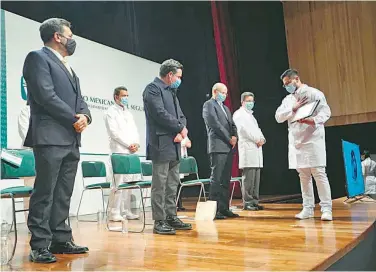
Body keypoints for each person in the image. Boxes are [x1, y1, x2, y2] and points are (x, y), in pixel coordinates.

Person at [22, 18, 91, 263]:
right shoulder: (37, 58)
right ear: (57, 37)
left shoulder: (69, 68)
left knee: (63, 192)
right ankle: (40, 244)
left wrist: (85, 116)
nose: (73, 40)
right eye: (70, 35)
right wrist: (74, 117)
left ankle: (61, 238)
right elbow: (45, 96)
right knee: (45, 192)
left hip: (71, 138)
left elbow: (80, 100)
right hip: (50, 137)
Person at [275, 68, 332, 221]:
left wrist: (311, 120)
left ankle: (326, 209)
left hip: (312, 139)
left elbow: (326, 112)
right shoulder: (288, 100)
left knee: (319, 174)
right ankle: (308, 208)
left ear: (296, 79)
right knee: (303, 176)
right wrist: (292, 109)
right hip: (296, 142)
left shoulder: (314, 93)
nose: (287, 86)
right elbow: (278, 116)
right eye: (285, 85)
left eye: (288, 83)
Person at [143, 59, 192, 235]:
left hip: (175, 143)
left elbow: (181, 116)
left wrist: (181, 131)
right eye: (178, 76)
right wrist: (179, 128)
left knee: (172, 183)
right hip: (161, 143)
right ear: (170, 75)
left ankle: (171, 215)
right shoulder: (153, 89)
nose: (180, 80)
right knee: (160, 184)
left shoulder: (172, 92)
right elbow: (159, 113)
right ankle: (159, 220)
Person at [202, 83, 239, 220]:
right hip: (218, 146)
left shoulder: (226, 108)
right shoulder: (208, 105)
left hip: (228, 147)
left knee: (225, 179)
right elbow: (215, 124)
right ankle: (214, 210)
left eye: (226, 93)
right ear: (215, 91)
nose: (224, 95)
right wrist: (229, 138)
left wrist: (235, 137)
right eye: (222, 92)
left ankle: (224, 208)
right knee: (216, 179)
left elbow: (232, 124)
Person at [104, 86, 141, 221]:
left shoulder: (129, 113)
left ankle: (126, 211)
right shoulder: (110, 112)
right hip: (119, 151)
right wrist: (128, 144)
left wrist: (136, 143)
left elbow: (134, 130)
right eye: (123, 96)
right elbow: (114, 133)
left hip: (130, 152)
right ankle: (114, 212)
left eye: (127, 95)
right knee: (118, 183)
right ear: (116, 97)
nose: (126, 98)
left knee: (129, 183)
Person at [233, 92, 265, 211]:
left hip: (256, 148)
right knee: (249, 178)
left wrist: (262, 138)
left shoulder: (251, 116)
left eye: (252, 101)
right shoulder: (239, 114)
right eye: (248, 101)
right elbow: (243, 130)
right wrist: (257, 139)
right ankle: (248, 202)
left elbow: (257, 129)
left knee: (256, 177)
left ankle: (255, 201)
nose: (250, 103)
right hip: (248, 147)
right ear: (242, 102)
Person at [177, 136, 191, 211]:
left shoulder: (183, 134)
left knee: (180, 184)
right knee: (174, 183)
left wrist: (182, 142)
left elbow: (189, 144)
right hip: (175, 159)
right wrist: (182, 143)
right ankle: (175, 204)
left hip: (182, 159)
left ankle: (179, 204)